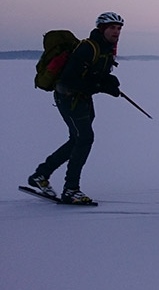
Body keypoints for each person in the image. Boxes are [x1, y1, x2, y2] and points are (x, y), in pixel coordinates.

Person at [27, 12, 125, 204]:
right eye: (112, 28)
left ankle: (41, 175)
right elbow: (69, 80)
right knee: (85, 138)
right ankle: (71, 189)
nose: (116, 32)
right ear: (102, 29)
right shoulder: (88, 48)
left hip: (82, 99)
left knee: (77, 139)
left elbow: (94, 76)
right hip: (69, 97)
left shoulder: (106, 50)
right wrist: (100, 86)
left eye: (119, 28)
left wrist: (108, 83)